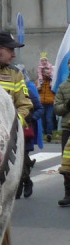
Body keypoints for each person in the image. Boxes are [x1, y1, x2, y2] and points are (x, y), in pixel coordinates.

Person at [53, 72, 70, 207]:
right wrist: (67, 105)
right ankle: (68, 194)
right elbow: (57, 109)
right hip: (68, 129)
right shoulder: (63, 87)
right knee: (67, 164)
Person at [37, 56, 57, 142]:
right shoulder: (40, 81)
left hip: (50, 102)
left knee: (49, 118)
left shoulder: (52, 81)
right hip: (41, 102)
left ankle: (49, 133)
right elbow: (36, 90)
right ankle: (42, 133)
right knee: (42, 118)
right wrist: (39, 86)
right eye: (46, 73)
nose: (48, 74)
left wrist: (52, 85)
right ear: (43, 73)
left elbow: (55, 90)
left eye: (49, 73)